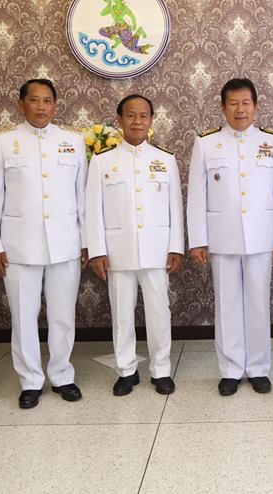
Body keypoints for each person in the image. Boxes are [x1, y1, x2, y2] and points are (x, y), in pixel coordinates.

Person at [0, 79, 87, 409]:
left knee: (62, 315)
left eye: (47, 101)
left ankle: (62, 375)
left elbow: (82, 197)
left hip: (65, 244)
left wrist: (87, 242)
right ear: (21, 104)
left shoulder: (73, 141)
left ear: (55, 105)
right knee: (24, 317)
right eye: (34, 100)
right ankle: (30, 380)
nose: (41, 106)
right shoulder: (3, 142)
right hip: (18, 247)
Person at [187, 78, 273, 396]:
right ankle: (231, 369)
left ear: (255, 107)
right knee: (227, 304)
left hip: (261, 236)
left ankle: (258, 368)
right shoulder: (206, 143)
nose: (240, 109)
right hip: (222, 237)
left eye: (246, 103)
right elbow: (196, 194)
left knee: (258, 303)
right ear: (223, 107)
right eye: (233, 103)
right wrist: (198, 239)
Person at [86, 94, 184, 396]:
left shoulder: (165, 159)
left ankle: (161, 369)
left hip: (157, 249)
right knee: (122, 314)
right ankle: (126, 370)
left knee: (159, 312)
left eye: (143, 115)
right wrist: (97, 251)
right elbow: (93, 209)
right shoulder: (102, 161)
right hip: (118, 250)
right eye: (130, 115)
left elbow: (175, 207)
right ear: (119, 120)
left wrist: (176, 246)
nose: (137, 121)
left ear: (151, 120)